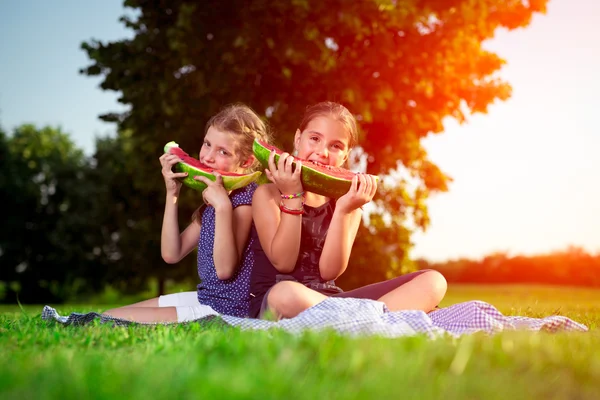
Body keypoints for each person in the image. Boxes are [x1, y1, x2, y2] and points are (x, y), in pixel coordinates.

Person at [249, 101, 447, 320]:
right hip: (280, 300)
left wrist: (343, 211)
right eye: (314, 139)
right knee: (283, 294)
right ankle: (374, 320)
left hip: (330, 302)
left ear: (345, 155)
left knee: (434, 281)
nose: (322, 152)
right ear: (298, 139)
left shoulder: (350, 205)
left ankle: (357, 323)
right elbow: (283, 262)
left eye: (336, 146)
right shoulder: (267, 195)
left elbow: (328, 272)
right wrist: (292, 196)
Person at [103, 103, 271, 323]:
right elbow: (172, 253)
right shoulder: (216, 198)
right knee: (105, 316)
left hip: (229, 310)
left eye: (223, 151)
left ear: (246, 161)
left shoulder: (244, 202)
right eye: (207, 144)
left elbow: (225, 270)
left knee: (110, 320)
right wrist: (172, 194)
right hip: (207, 299)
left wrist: (222, 208)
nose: (208, 157)